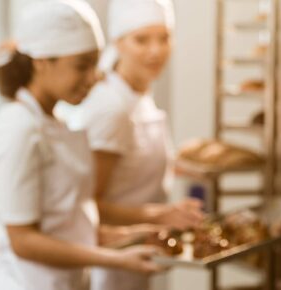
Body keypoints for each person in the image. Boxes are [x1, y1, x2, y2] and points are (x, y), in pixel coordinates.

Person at [0, 1, 163, 290]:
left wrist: (141, 234)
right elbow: (23, 241)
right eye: (81, 66)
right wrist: (116, 260)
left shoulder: (58, 121)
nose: (93, 78)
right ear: (41, 62)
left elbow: (71, 228)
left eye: (94, 65)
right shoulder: (19, 127)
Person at [74, 1, 204, 289]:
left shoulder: (139, 93)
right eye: (141, 39)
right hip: (111, 265)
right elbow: (90, 204)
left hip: (137, 255)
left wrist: (176, 167)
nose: (155, 50)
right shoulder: (112, 108)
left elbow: (127, 164)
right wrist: (160, 214)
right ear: (118, 43)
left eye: (164, 38)